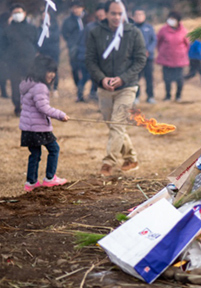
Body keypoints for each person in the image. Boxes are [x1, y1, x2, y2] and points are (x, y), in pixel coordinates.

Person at [86, 0, 147, 176]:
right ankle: (131, 158)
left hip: (127, 86)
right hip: (104, 87)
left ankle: (108, 162)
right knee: (113, 125)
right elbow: (90, 60)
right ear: (106, 14)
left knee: (118, 123)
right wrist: (101, 78)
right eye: (113, 13)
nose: (117, 17)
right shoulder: (95, 32)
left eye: (120, 13)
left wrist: (123, 78)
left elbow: (140, 59)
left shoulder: (134, 32)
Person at [19, 55, 69, 192]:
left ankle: (31, 182)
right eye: (49, 71)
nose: (52, 75)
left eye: (54, 72)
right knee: (54, 149)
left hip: (28, 128)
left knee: (35, 154)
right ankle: (50, 178)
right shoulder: (40, 87)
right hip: (38, 128)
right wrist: (61, 115)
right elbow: (44, 108)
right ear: (41, 71)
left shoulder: (27, 83)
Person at [3, 3, 38, 116]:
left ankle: (31, 106)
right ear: (11, 15)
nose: (17, 15)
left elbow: (37, 43)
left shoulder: (32, 28)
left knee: (31, 85)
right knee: (16, 85)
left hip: (29, 61)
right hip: (13, 62)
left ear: (24, 13)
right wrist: (6, 59)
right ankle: (18, 106)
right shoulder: (7, 31)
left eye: (19, 12)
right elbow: (2, 47)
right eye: (15, 13)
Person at [156, 11, 189, 102]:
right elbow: (158, 42)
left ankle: (178, 96)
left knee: (179, 79)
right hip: (166, 59)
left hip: (179, 59)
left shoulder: (184, 31)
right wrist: (162, 52)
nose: (171, 21)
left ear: (178, 20)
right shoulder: (163, 30)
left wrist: (182, 53)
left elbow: (187, 44)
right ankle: (167, 96)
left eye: (173, 19)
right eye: (170, 18)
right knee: (167, 79)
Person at [76, 3, 107, 102]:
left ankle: (93, 95)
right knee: (84, 77)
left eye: (103, 12)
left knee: (96, 78)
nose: (101, 14)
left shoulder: (108, 28)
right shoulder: (90, 27)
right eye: (99, 12)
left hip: (100, 58)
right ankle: (80, 96)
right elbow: (82, 42)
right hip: (87, 56)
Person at [133, 7, 157, 104]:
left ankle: (150, 96)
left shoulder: (149, 27)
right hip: (136, 59)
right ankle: (136, 97)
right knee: (136, 79)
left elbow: (154, 40)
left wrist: (149, 51)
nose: (139, 17)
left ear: (144, 16)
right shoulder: (131, 28)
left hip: (148, 58)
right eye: (137, 15)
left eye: (141, 14)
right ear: (133, 17)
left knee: (149, 78)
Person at [61, 0, 85, 99]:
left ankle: (86, 90)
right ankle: (79, 90)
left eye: (78, 7)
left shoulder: (86, 19)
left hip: (86, 47)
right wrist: (71, 42)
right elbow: (64, 33)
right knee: (75, 69)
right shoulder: (67, 21)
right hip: (73, 48)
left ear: (82, 8)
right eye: (74, 8)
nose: (76, 10)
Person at [38, 10, 60, 98]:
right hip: (43, 52)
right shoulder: (39, 28)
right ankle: (45, 88)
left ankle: (55, 88)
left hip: (53, 52)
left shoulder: (54, 26)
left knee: (54, 71)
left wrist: (47, 32)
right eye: (43, 16)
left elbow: (55, 37)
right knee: (44, 71)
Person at [0, 12, 10, 99]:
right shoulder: (3, 30)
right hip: (2, 55)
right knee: (2, 74)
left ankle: (3, 92)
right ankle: (3, 92)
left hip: (3, 55)